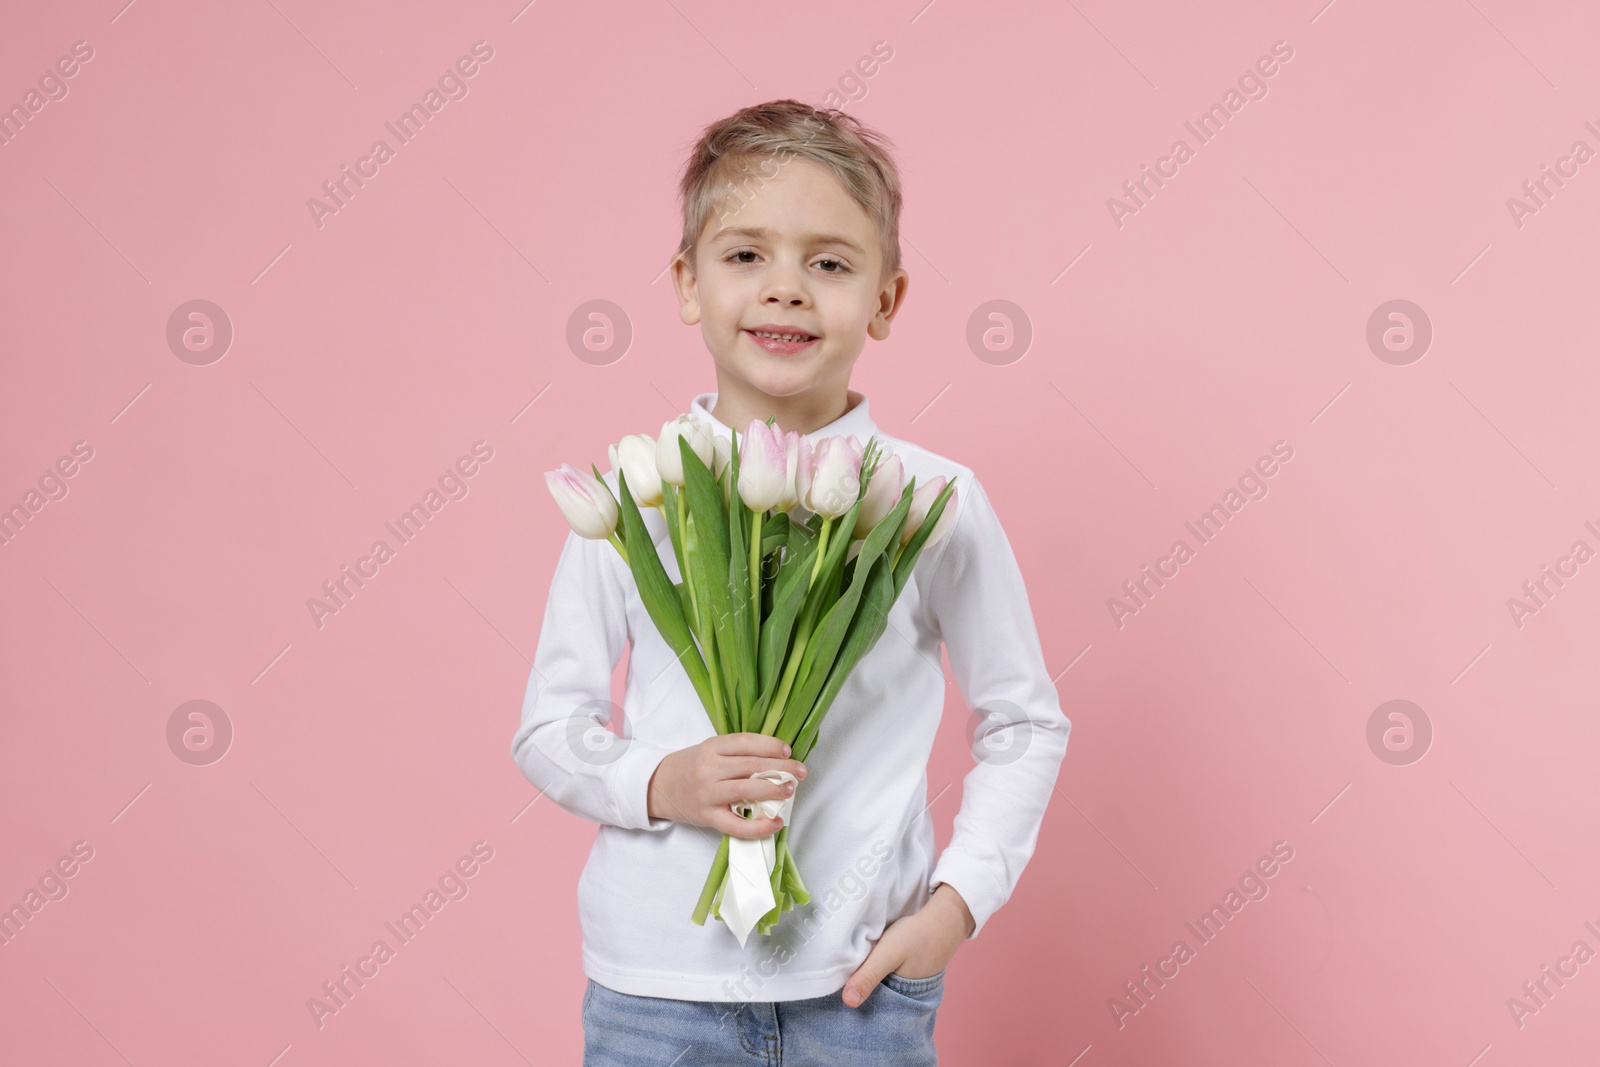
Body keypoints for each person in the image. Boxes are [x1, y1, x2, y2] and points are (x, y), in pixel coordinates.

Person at [512, 99, 1071, 1065]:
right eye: (744, 257)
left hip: (859, 986)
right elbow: (548, 727)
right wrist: (662, 781)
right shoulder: (637, 499)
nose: (786, 291)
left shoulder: (932, 501)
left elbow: (1025, 722)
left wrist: (956, 904)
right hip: (655, 987)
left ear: (885, 301)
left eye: (829, 262)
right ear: (687, 284)